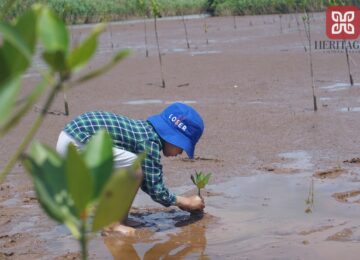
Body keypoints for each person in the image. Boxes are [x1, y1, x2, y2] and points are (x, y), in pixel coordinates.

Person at [56, 102, 205, 234]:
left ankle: (119, 219)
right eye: (182, 147)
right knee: (133, 167)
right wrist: (186, 202)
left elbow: (146, 182)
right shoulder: (149, 143)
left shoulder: (145, 131)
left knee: (129, 169)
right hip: (78, 143)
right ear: (173, 137)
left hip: (73, 137)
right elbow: (156, 190)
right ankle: (113, 224)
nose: (180, 153)